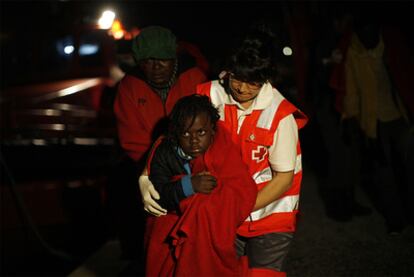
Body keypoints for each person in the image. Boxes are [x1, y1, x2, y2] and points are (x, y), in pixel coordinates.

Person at [140, 25, 308, 276]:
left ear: (267, 77)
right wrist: (146, 176)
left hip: (269, 215)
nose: (241, 88)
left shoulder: (280, 115)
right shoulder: (207, 94)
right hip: (219, 213)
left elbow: (284, 178)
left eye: (252, 82)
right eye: (237, 77)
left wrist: (234, 207)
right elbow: (173, 138)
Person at [109, 25, 208, 265]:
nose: (156, 67)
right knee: (125, 192)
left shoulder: (194, 77)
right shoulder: (129, 87)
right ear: (138, 62)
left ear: (173, 57)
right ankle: (135, 256)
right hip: (149, 164)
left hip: (197, 159)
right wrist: (161, 168)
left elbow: (210, 125)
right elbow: (132, 141)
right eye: (148, 61)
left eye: (162, 60)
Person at [144, 94, 257, 276]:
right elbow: (158, 194)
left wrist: (213, 200)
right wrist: (188, 185)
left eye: (201, 132)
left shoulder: (222, 146)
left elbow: (242, 187)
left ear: (213, 130)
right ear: (176, 133)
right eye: (186, 133)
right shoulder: (164, 152)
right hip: (170, 226)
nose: (194, 140)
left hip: (211, 231)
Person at [330, 12, 414, 234]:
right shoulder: (354, 53)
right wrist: (349, 118)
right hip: (373, 122)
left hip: (401, 117)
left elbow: (406, 78)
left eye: (372, 32)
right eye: (363, 33)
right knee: (383, 172)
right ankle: (396, 220)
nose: (368, 38)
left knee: (409, 167)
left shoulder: (393, 47)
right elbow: (352, 91)